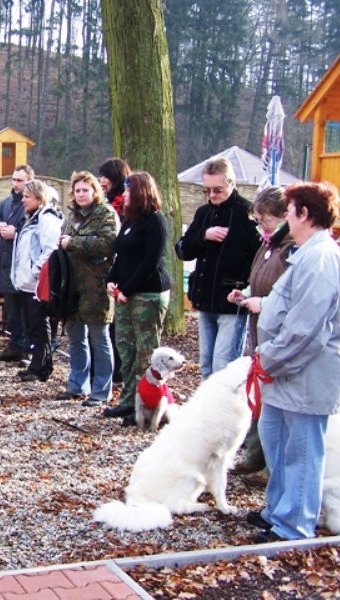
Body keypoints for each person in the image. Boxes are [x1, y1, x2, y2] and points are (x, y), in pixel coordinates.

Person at [240, 181, 340, 543]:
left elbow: (305, 328)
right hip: (282, 373)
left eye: (289, 211)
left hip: (306, 375)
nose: (285, 217)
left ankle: (295, 524)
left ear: (304, 214)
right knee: (277, 444)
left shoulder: (320, 258)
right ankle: (278, 512)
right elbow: (279, 305)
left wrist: (268, 359)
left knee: (302, 452)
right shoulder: (304, 253)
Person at [227, 186, 293, 474]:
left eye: (263, 219)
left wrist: (261, 303)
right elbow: (260, 281)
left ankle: (268, 463)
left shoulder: (290, 247)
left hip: (279, 334)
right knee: (258, 394)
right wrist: (245, 293)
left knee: (273, 400)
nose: (259, 226)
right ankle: (255, 455)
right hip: (260, 330)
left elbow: (288, 295)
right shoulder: (267, 245)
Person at [175, 157, 260, 379]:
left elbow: (259, 259)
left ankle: (223, 412)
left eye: (218, 190)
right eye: (208, 190)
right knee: (205, 363)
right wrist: (204, 236)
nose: (212, 195)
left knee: (223, 365)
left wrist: (247, 290)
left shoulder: (247, 214)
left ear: (232, 183)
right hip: (205, 299)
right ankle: (206, 412)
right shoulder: (203, 213)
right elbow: (183, 249)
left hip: (231, 303)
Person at [104, 172, 172, 425]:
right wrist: (112, 280)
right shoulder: (129, 221)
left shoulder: (156, 222)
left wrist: (126, 290)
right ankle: (127, 402)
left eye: (130, 192)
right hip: (124, 295)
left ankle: (145, 409)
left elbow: (149, 262)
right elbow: (121, 255)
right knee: (126, 349)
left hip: (147, 295)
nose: (125, 196)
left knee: (145, 354)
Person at [57, 171, 119, 406]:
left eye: (85, 190)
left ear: (95, 191)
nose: (81, 194)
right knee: (75, 339)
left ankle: (102, 390)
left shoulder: (106, 214)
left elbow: (108, 244)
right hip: (72, 288)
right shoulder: (72, 216)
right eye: (77, 190)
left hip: (97, 287)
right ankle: (77, 385)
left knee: (99, 338)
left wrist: (73, 243)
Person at [11, 180, 61, 382]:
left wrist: (34, 272)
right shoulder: (31, 219)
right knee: (32, 326)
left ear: (39, 199)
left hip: (37, 284)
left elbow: (50, 249)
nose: (23, 200)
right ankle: (36, 363)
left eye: (27, 197)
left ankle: (42, 366)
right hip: (26, 283)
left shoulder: (46, 220)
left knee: (40, 326)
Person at [0, 164, 35, 362]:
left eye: (19, 180)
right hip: (7, 264)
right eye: (14, 179)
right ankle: (15, 345)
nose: (15, 184)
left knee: (27, 312)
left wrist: (15, 234)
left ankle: (27, 348)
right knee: (12, 311)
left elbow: (34, 231)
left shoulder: (33, 207)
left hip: (24, 266)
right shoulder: (7, 203)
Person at [98, 157, 131, 384]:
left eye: (106, 177)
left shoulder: (122, 207)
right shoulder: (105, 203)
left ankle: (119, 370)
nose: (101, 181)